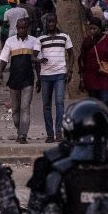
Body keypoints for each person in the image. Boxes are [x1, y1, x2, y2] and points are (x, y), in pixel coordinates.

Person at [0, 17, 41, 143]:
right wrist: (0, 73)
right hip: (14, 79)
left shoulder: (34, 41)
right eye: (20, 27)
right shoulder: (10, 41)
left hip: (28, 79)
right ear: (16, 28)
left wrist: (39, 79)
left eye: (24, 27)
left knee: (25, 107)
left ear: (27, 28)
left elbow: (37, 63)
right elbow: (4, 59)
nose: (22, 30)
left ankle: (23, 135)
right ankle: (19, 130)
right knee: (15, 110)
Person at [37, 14, 74, 143]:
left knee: (59, 103)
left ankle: (58, 133)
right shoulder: (40, 39)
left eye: (53, 22)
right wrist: (39, 60)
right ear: (46, 23)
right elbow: (33, 56)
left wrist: (70, 70)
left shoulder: (64, 37)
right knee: (46, 106)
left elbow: (71, 54)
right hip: (45, 75)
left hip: (60, 74)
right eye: (49, 22)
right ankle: (50, 134)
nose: (51, 24)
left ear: (56, 22)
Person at [78, 16, 108, 108]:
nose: (92, 31)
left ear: (100, 29)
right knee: (93, 104)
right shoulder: (87, 41)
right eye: (90, 29)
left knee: (105, 101)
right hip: (91, 77)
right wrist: (81, 78)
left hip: (105, 76)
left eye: (94, 29)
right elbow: (82, 60)